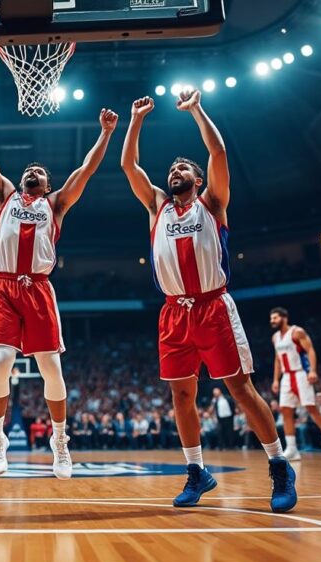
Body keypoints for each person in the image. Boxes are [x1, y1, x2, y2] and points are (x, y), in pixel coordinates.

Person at [120, 91, 296, 513]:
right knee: (182, 397)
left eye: (182, 168)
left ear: (197, 179)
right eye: (172, 168)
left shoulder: (212, 203)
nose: (174, 171)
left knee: (239, 388)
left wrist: (195, 110)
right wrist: (135, 120)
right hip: (173, 312)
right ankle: (197, 472)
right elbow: (129, 165)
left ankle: (278, 465)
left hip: (213, 306)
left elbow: (217, 149)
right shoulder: (157, 205)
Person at [0, 83, 117, 480]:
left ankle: (60, 442)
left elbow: (87, 170)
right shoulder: (3, 195)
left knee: (51, 368)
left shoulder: (56, 205)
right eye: (29, 170)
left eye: (40, 172)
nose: (32, 172)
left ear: (48, 185)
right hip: (3, 286)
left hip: (39, 289)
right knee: (1, 361)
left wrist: (105, 134)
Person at [268, 308, 321, 462]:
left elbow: (310, 350)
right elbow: (277, 359)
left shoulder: (297, 332)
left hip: (301, 373)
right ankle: (292, 448)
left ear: (284, 317)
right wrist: (276, 379)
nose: (272, 321)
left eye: (275, 318)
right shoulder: (275, 337)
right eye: (271, 318)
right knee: (286, 411)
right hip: (287, 376)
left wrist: (313, 371)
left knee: (311, 409)